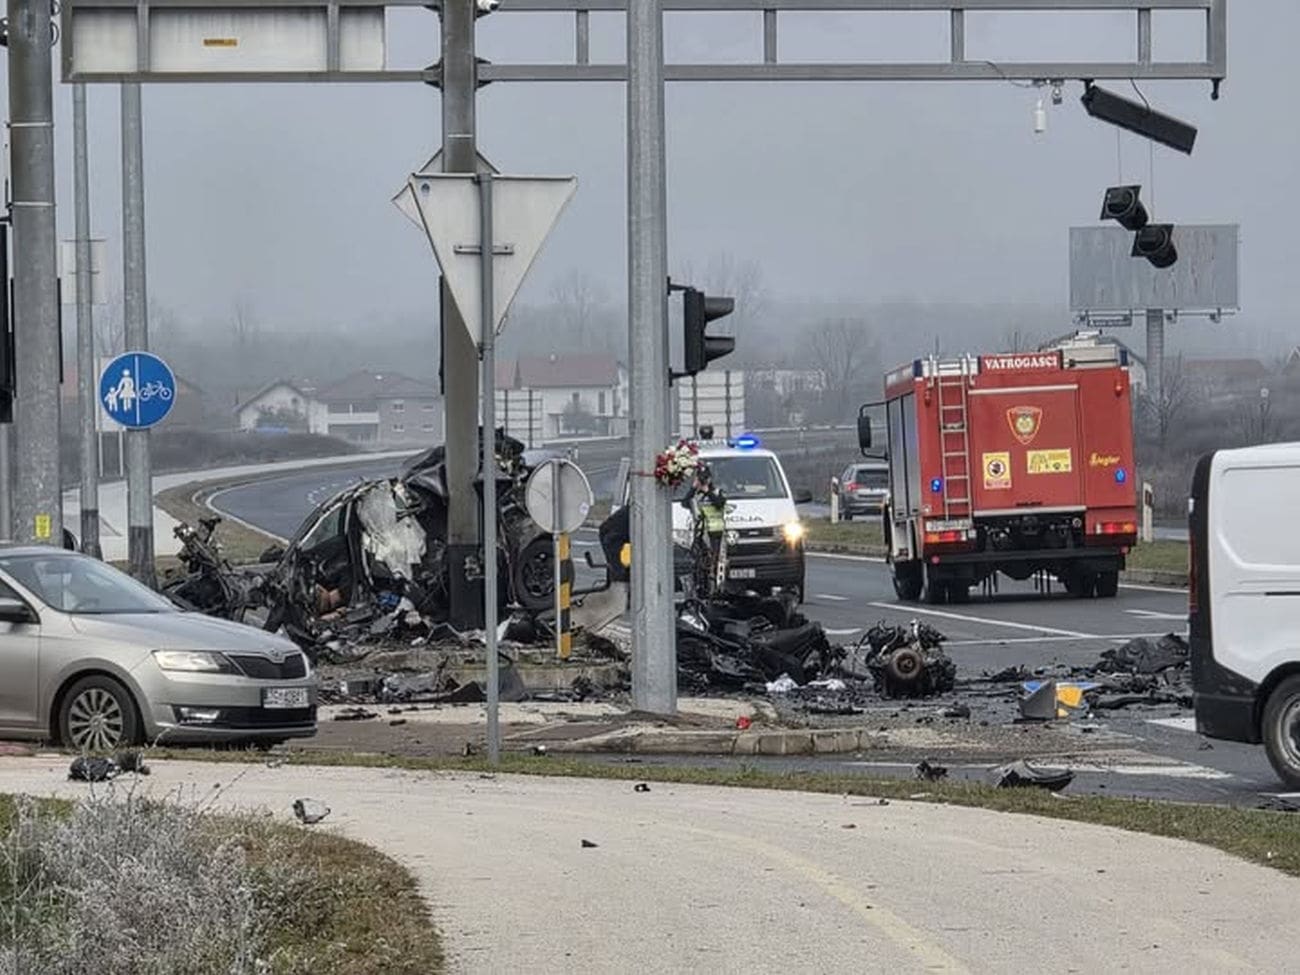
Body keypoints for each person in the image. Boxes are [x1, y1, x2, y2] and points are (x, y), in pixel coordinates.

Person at [681, 462, 728, 599]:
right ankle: (700, 591)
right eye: (700, 477)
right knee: (699, 565)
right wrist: (693, 488)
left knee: (715, 564)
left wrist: (707, 490)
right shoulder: (696, 495)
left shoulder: (718, 491)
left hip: (716, 535)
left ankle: (716, 592)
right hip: (700, 536)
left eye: (704, 478)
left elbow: (720, 503)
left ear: (710, 478)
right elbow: (684, 503)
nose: (703, 480)